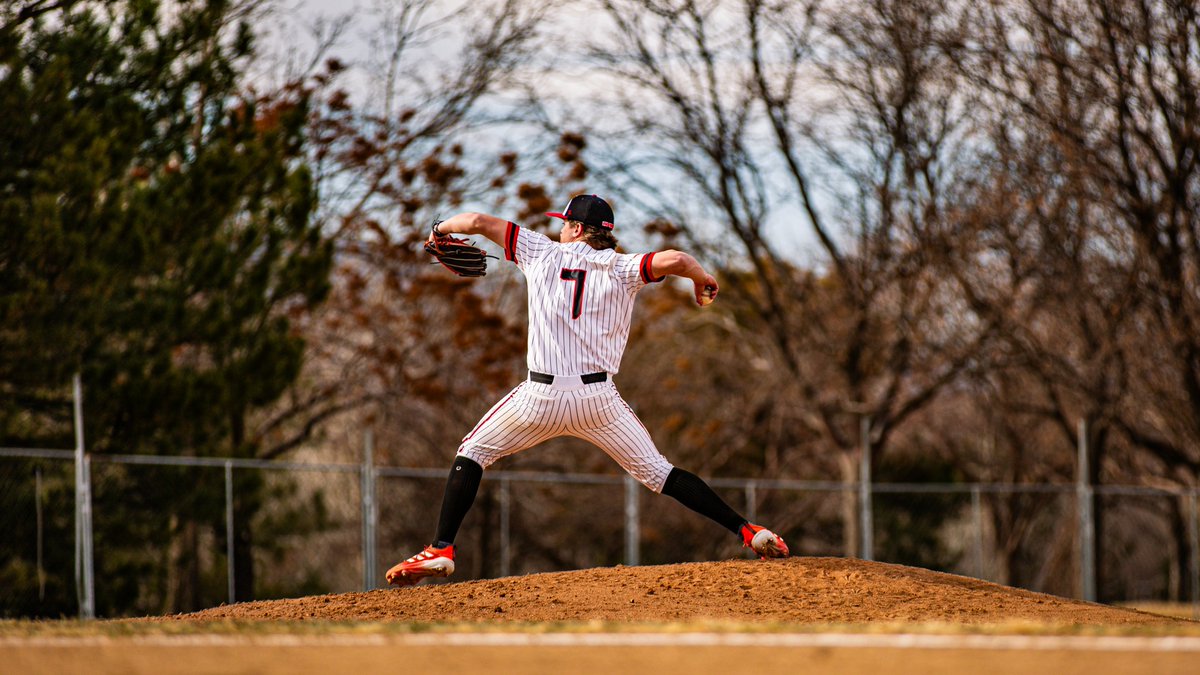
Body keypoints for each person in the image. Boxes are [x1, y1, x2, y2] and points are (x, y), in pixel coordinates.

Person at [386, 194, 788, 586]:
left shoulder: (539, 251)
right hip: (598, 402)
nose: (559, 229)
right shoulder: (624, 267)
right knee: (659, 472)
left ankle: (442, 548)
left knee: (473, 452)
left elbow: (475, 222)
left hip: (538, 397)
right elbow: (677, 260)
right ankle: (748, 531)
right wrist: (702, 279)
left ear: (577, 228)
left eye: (564, 224)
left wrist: (439, 228)